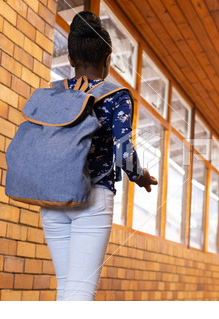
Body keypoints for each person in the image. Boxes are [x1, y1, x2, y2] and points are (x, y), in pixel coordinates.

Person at [39, 11, 158, 301]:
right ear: (107, 61)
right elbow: (124, 153)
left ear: (70, 59)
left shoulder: (52, 94)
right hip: (92, 198)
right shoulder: (117, 96)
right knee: (79, 295)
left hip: (52, 199)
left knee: (66, 291)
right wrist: (140, 177)